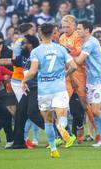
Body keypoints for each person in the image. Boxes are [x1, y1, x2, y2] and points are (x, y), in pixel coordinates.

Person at [21, 23, 77, 158]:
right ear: (53, 33)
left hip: (44, 91)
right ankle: (62, 127)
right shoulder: (61, 49)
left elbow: (33, 71)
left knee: (48, 121)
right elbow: (74, 66)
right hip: (59, 88)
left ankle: (53, 149)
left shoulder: (36, 51)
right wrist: (64, 73)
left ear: (40, 34)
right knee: (62, 116)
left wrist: (23, 81)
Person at [59, 15, 93, 144]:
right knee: (61, 106)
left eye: (68, 26)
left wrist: (65, 51)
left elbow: (78, 53)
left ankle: (99, 132)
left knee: (85, 106)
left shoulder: (78, 37)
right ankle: (63, 136)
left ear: (74, 26)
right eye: (63, 27)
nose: (65, 29)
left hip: (80, 74)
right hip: (67, 75)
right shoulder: (62, 38)